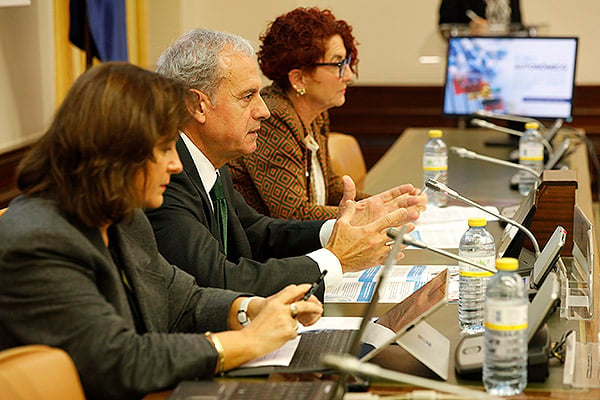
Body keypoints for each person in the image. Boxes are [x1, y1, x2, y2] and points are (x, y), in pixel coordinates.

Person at [0, 62, 323, 400]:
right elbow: (119, 361)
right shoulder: (37, 242)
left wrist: (251, 309)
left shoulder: (123, 217)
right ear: (119, 152)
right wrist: (248, 341)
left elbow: (183, 301)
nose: (177, 164)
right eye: (165, 147)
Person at [147, 28, 426, 299]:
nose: (263, 110)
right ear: (198, 106)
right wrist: (336, 258)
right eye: (247, 97)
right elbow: (219, 280)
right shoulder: (166, 176)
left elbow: (259, 233)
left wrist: (339, 227)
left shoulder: (210, 160)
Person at [228, 7, 368, 220]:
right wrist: (369, 213)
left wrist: (383, 202)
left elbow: (329, 187)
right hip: (262, 250)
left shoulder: (316, 113)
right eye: (338, 63)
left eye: (346, 62)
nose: (348, 75)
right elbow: (293, 214)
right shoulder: (271, 118)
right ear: (299, 78)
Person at [438, 0, 522, 34]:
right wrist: (469, 31)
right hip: (471, 58)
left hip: (505, 56)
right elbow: (445, 28)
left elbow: (518, 27)